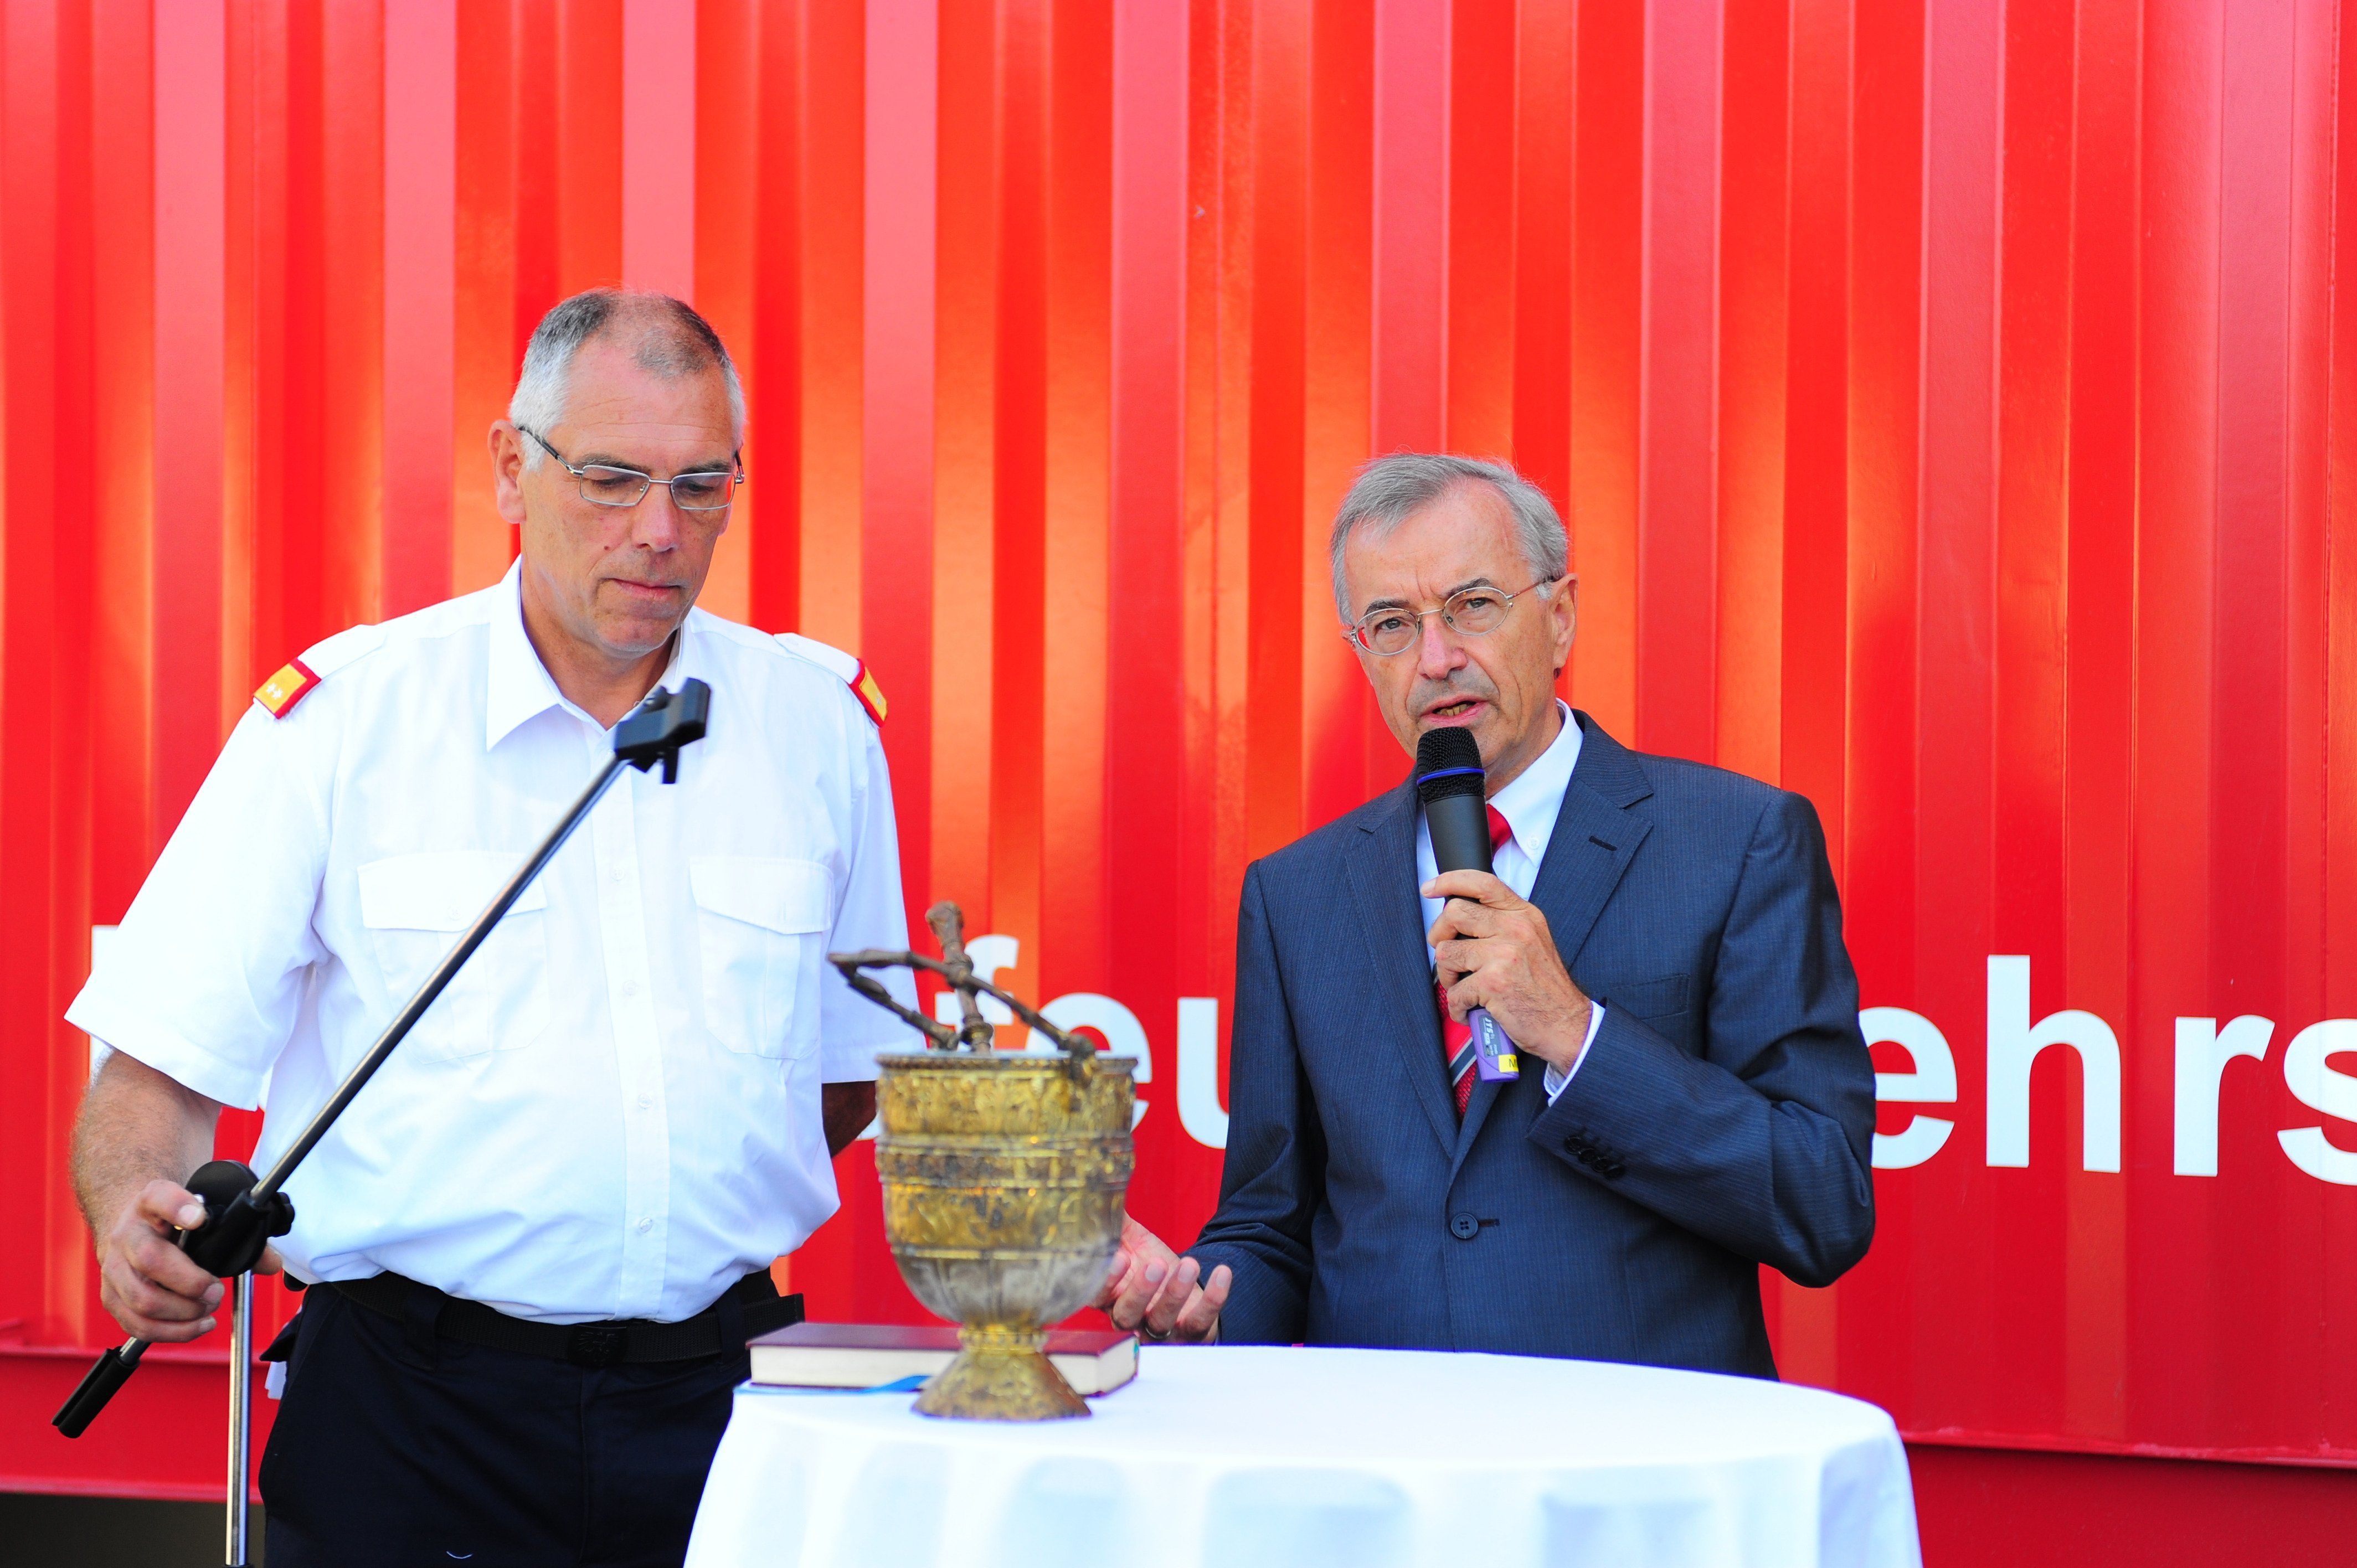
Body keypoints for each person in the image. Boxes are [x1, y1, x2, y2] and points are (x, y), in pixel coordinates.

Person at [66, 289, 918, 1566]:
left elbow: (845, 1084)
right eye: (612, 479)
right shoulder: (348, 721)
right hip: (413, 1412)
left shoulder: (818, 729)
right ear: (513, 468)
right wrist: (133, 1206)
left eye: (701, 487)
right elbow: (158, 1063)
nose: (659, 531)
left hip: (721, 1406)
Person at [1097, 453, 1876, 1375]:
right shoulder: (1297, 894)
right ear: (1363, 654)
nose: (1436, 660)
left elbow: (1822, 1201)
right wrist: (1202, 1305)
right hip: (1389, 1451)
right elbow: (1273, 1230)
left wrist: (1577, 1035)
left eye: (1471, 605)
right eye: (1393, 624)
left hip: (1635, 1446)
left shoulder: (1736, 842)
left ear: (1560, 616)